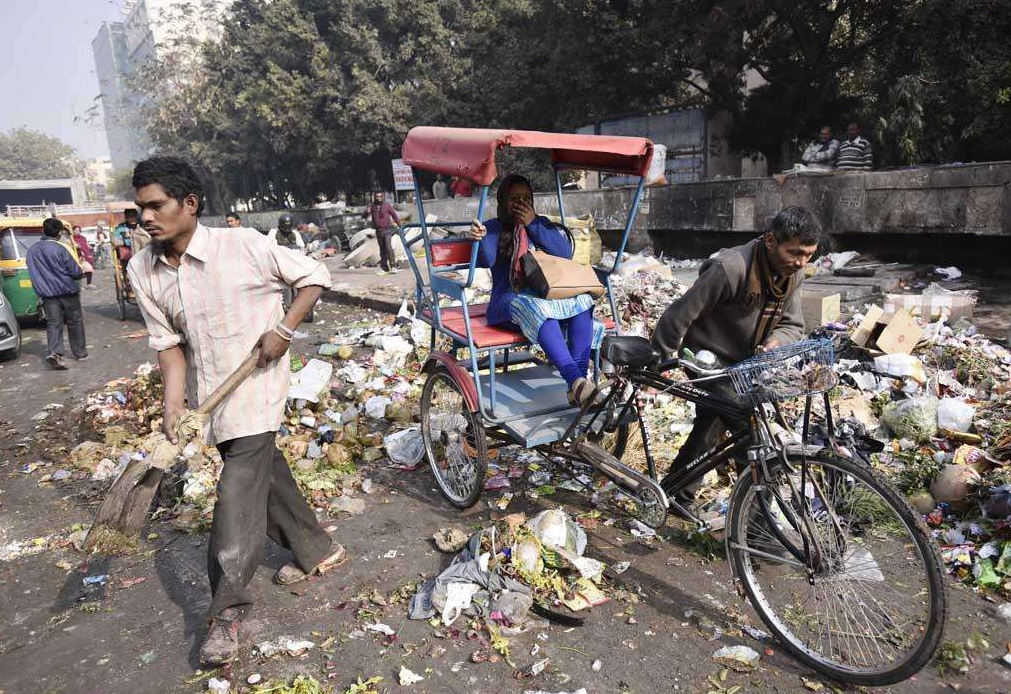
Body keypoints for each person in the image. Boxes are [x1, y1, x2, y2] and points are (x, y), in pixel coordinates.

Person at [126, 157, 346, 667]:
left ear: (190, 204)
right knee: (264, 474)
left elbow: (315, 275)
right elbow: (169, 346)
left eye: (156, 206)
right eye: (141, 209)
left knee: (237, 488)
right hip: (213, 394)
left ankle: (226, 612)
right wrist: (174, 407)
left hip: (259, 381)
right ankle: (317, 548)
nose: (147, 218)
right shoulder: (142, 268)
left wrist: (285, 328)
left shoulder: (243, 245)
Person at [651, 206, 820, 503]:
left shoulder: (793, 275)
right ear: (770, 241)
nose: (801, 262)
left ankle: (675, 493)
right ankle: (758, 527)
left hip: (743, 361)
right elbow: (680, 315)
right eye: (795, 253)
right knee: (747, 425)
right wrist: (660, 362)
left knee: (713, 420)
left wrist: (776, 342)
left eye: (808, 255)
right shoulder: (730, 268)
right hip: (703, 355)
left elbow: (793, 324)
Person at [465, 174, 603, 405]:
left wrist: (531, 223)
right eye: (514, 198)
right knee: (538, 309)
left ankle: (577, 387)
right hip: (508, 301)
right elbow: (487, 258)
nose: (521, 203)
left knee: (583, 302)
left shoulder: (540, 224)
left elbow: (563, 252)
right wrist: (478, 238)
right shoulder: (494, 228)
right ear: (502, 201)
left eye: (526, 198)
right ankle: (575, 380)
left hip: (545, 297)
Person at [25, 218, 87, 369]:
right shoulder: (61, 249)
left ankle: (55, 353)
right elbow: (75, 272)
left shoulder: (32, 250)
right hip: (67, 292)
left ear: (43, 231)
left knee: (53, 323)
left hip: (47, 295)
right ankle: (80, 353)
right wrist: (80, 272)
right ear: (59, 233)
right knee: (75, 321)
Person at [361, 191, 402, 274]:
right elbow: (363, 216)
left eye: (380, 196)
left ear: (383, 197)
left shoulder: (387, 205)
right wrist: (366, 212)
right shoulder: (372, 206)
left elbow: (394, 215)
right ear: (374, 197)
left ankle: (393, 266)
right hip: (379, 231)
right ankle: (384, 268)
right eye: (377, 196)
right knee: (382, 250)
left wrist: (400, 225)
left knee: (388, 248)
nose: (379, 198)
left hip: (388, 230)